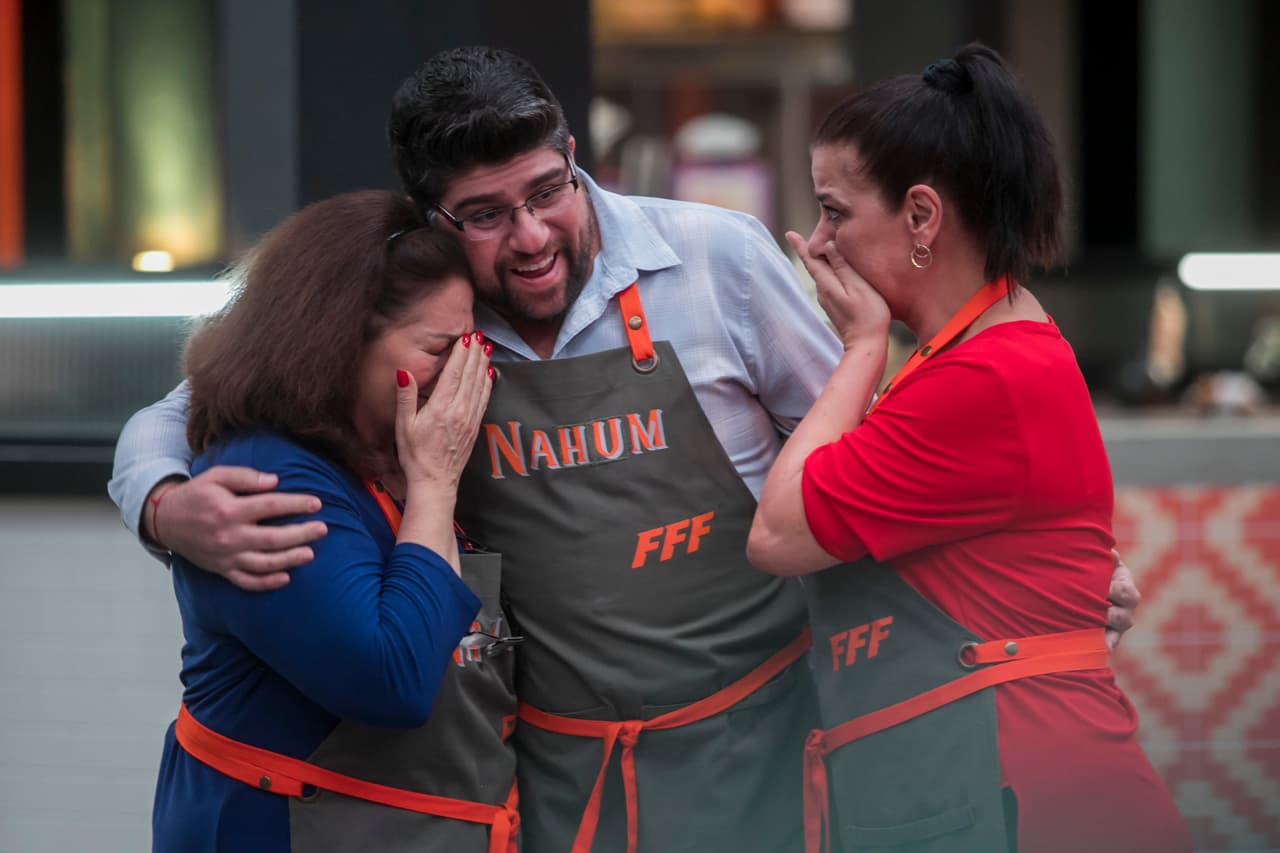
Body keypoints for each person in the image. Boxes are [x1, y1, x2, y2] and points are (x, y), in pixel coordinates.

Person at [110, 47, 1140, 853]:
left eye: (546, 190)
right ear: (430, 217)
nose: (530, 236)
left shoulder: (715, 260)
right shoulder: (424, 306)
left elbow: (860, 461)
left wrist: (1019, 580)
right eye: (483, 215)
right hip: (554, 768)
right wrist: (166, 504)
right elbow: (199, 399)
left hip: (759, 747)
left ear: (574, 155)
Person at [747, 45, 1189, 853]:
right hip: (983, 790)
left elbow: (777, 533)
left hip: (1025, 803)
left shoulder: (985, 375)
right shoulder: (977, 347)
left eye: (835, 212)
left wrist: (858, 350)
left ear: (921, 216)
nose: (816, 244)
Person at [147, 190, 519, 853]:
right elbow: (392, 680)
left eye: (473, 345)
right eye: (442, 348)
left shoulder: (378, 451)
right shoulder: (269, 476)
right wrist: (435, 482)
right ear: (341, 343)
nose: (467, 375)